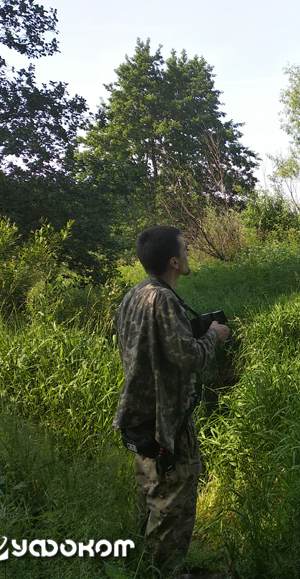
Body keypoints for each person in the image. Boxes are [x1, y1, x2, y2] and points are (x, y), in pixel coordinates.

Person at [112, 226, 229, 578]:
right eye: (186, 249)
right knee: (174, 502)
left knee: (150, 494)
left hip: (139, 413)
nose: (190, 254)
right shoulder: (163, 299)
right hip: (168, 419)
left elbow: (147, 348)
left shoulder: (134, 295)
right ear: (174, 261)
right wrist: (213, 335)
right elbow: (188, 356)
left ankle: (144, 566)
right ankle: (166, 572)